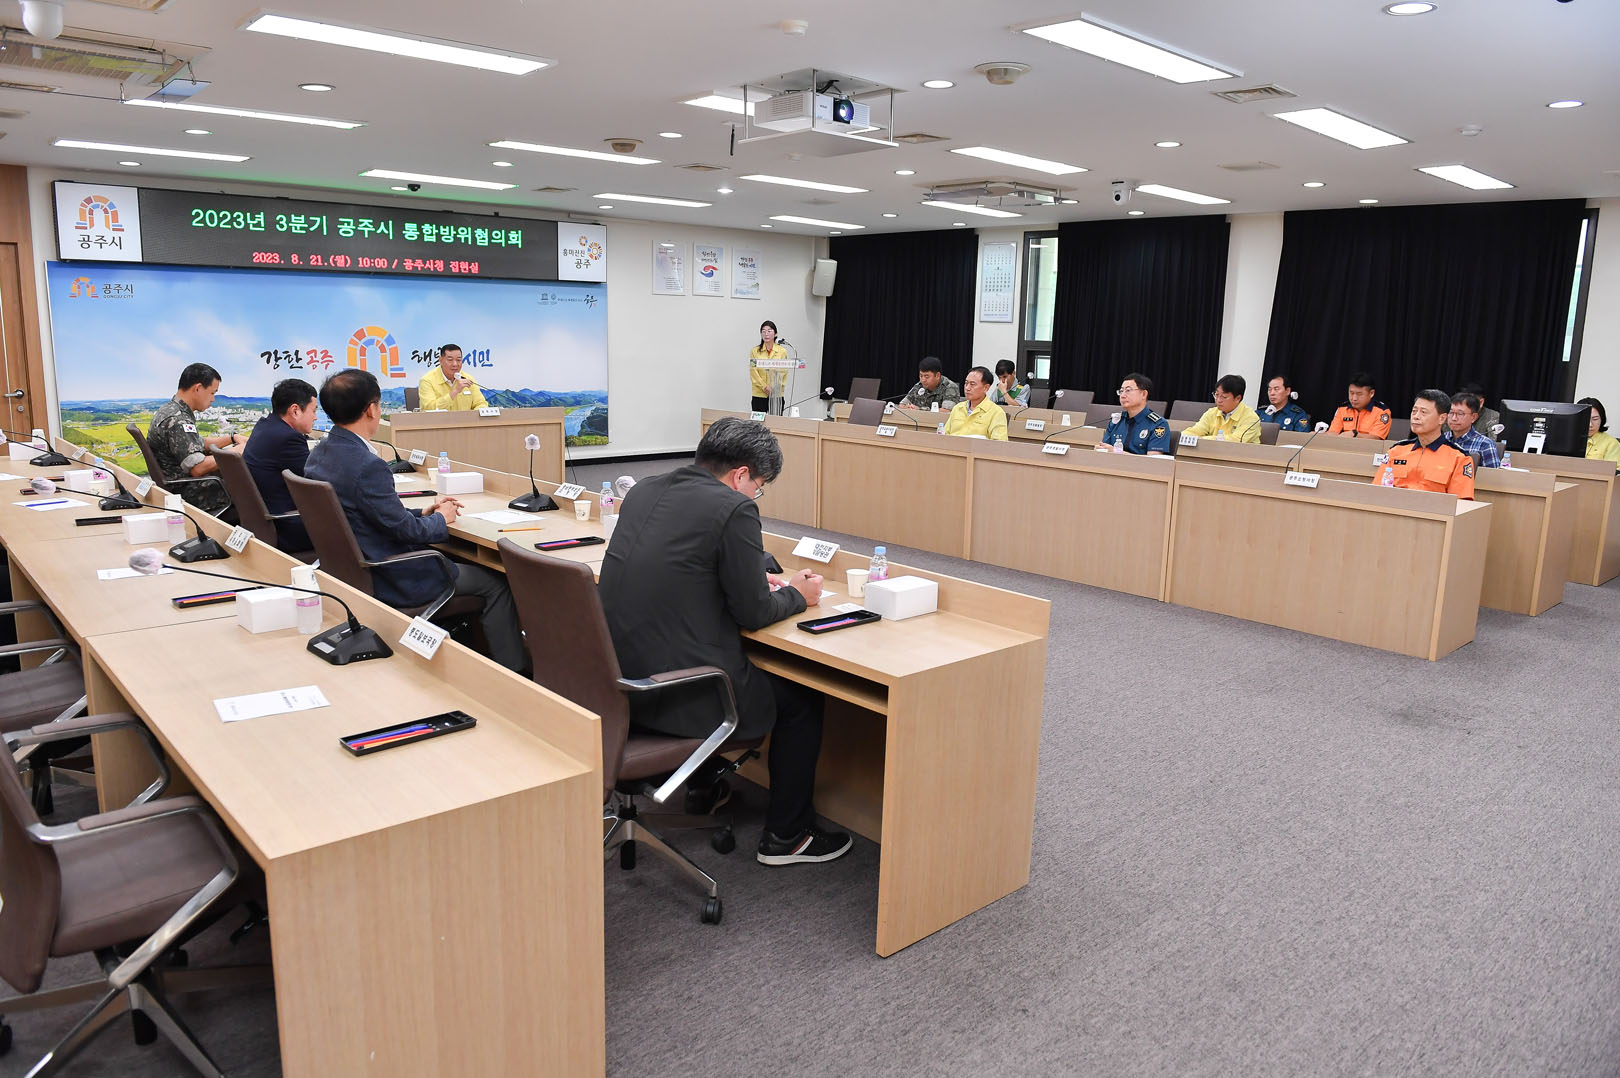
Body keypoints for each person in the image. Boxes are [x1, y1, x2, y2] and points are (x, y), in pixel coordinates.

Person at [598, 417, 851, 866]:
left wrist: (747, 576)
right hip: (681, 692)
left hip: (616, 680)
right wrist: (799, 594)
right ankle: (788, 836)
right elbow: (754, 613)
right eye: (758, 487)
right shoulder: (734, 508)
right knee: (802, 698)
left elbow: (683, 567)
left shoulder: (645, 489)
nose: (754, 496)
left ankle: (703, 785)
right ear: (740, 475)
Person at [305, 368, 526, 671]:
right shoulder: (367, 465)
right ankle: (514, 673)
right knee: (496, 582)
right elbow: (407, 532)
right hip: (392, 574)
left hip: (351, 569)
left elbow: (365, 512)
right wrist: (442, 519)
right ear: (371, 410)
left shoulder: (320, 453)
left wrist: (422, 512)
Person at [147, 362, 245, 515]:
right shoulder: (178, 420)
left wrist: (233, 438)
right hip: (187, 492)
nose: (213, 399)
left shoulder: (171, 410)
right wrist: (238, 451)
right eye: (212, 393)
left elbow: (196, 443)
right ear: (198, 388)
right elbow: (198, 468)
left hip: (178, 486)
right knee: (248, 487)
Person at [242, 378, 319, 551]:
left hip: (265, 521)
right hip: (288, 527)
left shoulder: (264, 426)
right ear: (295, 410)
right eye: (313, 410)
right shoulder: (289, 439)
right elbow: (318, 481)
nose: (315, 417)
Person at [1375, 390, 1474, 499]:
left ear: (1442, 418)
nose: (1416, 416)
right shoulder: (1396, 451)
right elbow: (1377, 491)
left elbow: (1460, 503)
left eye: (1423, 412)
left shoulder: (1459, 458)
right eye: (1414, 411)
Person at [1100, 372, 1171, 455]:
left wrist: (1117, 452)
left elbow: (1153, 460)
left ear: (1143, 394)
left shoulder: (1158, 424)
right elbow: (1104, 450)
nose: (1122, 395)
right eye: (1121, 391)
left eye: (1128, 390)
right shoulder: (1116, 421)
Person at [1182, 374, 1262, 443]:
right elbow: (1195, 431)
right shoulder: (1211, 412)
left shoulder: (1251, 418)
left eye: (1224, 397)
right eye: (1216, 395)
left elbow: (1236, 441)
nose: (1218, 400)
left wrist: (1202, 439)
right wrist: (1183, 436)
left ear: (1237, 398)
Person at [943, 366, 1010, 440]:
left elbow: (999, 443)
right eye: (966, 383)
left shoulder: (996, 412)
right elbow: (945, 435)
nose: (967, 388)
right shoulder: (957, 408)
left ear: (986, 388)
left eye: (972, 384)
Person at [417, 344, 487, 411]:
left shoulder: (468, 378)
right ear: (440, 360)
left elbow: (481, 404)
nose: (455, 364)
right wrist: (455, 391)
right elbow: (429, 408)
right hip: (439, 420)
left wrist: (472, 417)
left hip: (465, 419)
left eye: (458, 360)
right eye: (450, 360)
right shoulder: (427, 380)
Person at [1444, 391, 1502, 468]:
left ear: (1473, 417)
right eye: (1451, 413)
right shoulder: (1440, 439)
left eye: (1460, 414)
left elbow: (1492, 474)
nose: (1454, 418)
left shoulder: (1485, 444)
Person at [1328, 372, 1393, 439]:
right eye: (1351, 393)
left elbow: (1377, 438)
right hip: (1344, 445)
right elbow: (1333, 432)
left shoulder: (1382, 411)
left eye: (1359, 394)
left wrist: (1355, 435)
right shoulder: (1342, 409)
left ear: (1371, 393)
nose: (1354, 398)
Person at [748, 320, 788, 414]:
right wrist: (764, 386)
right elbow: (753, 372)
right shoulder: (754, 351)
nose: (766, 334)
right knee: (757, 422)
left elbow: (783, 372)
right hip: (759, 394)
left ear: (775, 334)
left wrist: (773, 388)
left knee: (776, 421)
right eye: (763, 331)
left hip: (776, 394)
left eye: (769, 331)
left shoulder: (782, 351)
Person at [1578, 397, 1620, 468]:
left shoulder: (1611, 443)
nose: (1590, 425)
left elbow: (1615, 471)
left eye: (1595, 419)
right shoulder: (1567, 439)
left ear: (1602, 419)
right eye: (1586, 419)